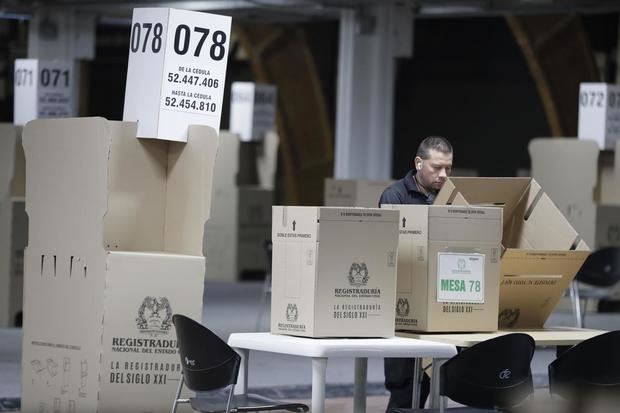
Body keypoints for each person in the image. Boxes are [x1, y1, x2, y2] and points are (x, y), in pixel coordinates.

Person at [379, 136, 453, 411]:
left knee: (436, 383)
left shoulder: (451, 196)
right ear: (419, 163)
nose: (443, 175)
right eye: (436, 167)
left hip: (439, 299)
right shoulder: (394, 196)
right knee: (405, 388)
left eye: (448, 168)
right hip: (403, 303)